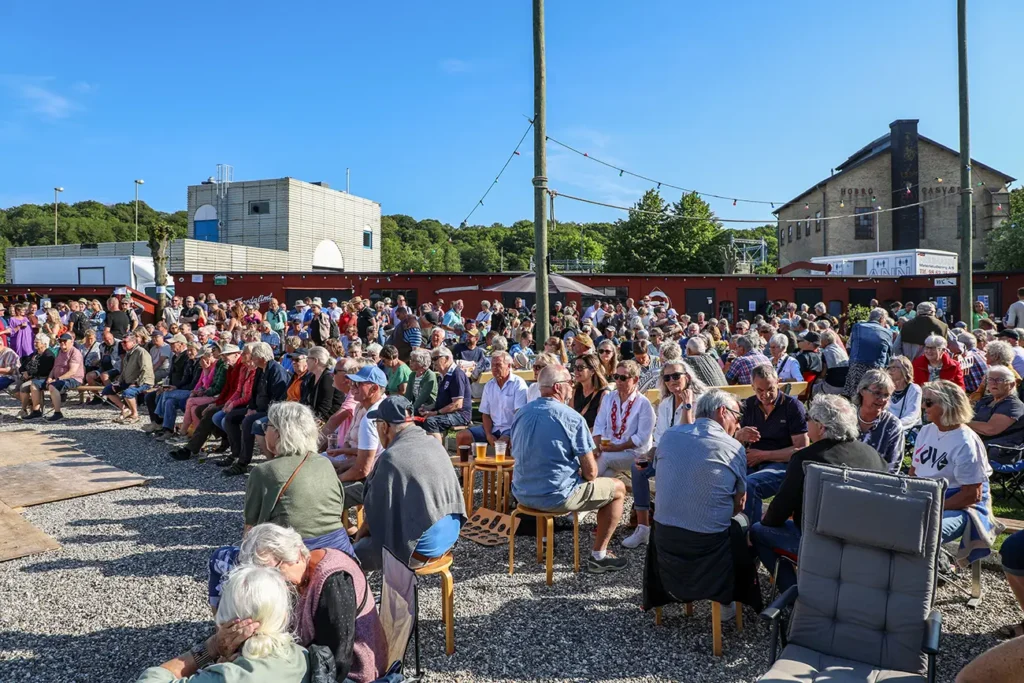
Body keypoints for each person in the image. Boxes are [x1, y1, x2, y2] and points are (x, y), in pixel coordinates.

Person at [642, 389, 759, 619]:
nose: (737, 424)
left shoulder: (670, 435)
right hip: (707, 545)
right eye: (737, 417)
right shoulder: (733, 447)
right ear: (722, 411)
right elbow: (739, 504)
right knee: (741, 524)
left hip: (664, 538)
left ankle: (673, 594)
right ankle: (729, 597)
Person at [751, 395, 886, 592]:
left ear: (821, 427)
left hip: (820, 545)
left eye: (808, 418)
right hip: (866, 547)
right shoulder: (874, 457)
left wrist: (767, 518)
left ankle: (794, 594)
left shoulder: (806, 459)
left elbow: (777, 514)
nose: (805, 422)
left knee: (758, 531)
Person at [511, 364, 628, 574]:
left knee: (547, 474)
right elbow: (591, 473)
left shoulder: (522, 413)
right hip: (556, 497)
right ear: (558, 387)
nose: (572, 387)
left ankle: (545, 541)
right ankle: (599, 555)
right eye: (569, 383)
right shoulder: (571, 418)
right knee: (618, 488)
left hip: (521, 492)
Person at [237, 525, 388, 683]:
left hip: (352, 672)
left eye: (274, 573)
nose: (273, 583)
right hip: (312, 660)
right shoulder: (301, 572)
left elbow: (337, 661)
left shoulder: (333, 580)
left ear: (295, 556)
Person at [136, 566, 309, 683]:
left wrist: (211, 647)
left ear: (224, 619)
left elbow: (152, 678)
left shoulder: (223, 677)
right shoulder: (304, 657)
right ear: (284, 616)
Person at [353, 396, 467, 571]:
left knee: (350, 558)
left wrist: (358, 538)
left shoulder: (391, 458)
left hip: (419, 551)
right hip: (450, 537)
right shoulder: (434, 443)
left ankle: (361, 596)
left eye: (377, 423)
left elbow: (373, 518)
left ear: (384, 427)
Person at [623, 361, 707, 549]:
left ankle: (669, 525)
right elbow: (659, 438)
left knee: (664, 469)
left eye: (676, 376)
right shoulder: (666, 403)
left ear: (688, 376)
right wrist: (649, 454)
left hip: (691, 457)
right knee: (638, 468)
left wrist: (686, 406)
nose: (671, 381)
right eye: (666, 377)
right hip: (666, 454)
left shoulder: (701, 402)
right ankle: (643, 527)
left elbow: (689, 436)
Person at [911, 380, 999, 558]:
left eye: (928, 402)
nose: (923, 406)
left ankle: (927, 576)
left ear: (947, 405)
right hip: (927, 497)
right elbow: (914, 472)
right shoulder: (926, 431)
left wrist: (933, 506)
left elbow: (972, 495)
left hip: (961, 506)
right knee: (886, 522)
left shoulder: (965, 442)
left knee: (925, 533)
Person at [734, 364, 810, 521]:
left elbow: (801, 449)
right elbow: (731, 441)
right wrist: (739, 435)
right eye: (759, 391)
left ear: (778, 383)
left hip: (782, 464)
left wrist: (763, 455)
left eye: (770, 389)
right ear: (752, 387)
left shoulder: (792, 407)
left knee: (750, 484)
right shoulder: (748, 405)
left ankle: (750, 533)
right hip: (752, 461)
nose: (765, 395)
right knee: (725, 479)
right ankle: (728, 529)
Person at [170, 344, 244, 461]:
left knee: (210, 413)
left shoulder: (241, 367)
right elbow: (226, 389)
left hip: (238, 402)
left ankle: (191, 448)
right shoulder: (230, 366)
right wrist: (218, 402)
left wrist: (222, 403)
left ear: (237, 354)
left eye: (226, 355)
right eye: (223, 356)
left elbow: (237, 391)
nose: (224, 358)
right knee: (200, 410)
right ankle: (224, 439)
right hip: (228, 399)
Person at [593, 360, 656, 478]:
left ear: (635, 380)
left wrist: (616, 448)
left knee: (604, 458)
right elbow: (599, 425)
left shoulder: (643, 404)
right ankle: (597, 492)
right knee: (605, 474)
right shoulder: (609, 398)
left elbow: (641, 439)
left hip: (638, 456)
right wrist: (597, 448)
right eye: (616, 377)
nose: (618, 381)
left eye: (623, 378)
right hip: (612, 451)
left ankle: (580, 485)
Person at [852, 369, 905, 473]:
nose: (882, 399)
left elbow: (893, 467)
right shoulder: (847, 417)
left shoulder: (892, 426)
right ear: (862, 390)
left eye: (886, 395)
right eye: (877, 393)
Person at [102, 331, 155, 424]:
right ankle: (125, 410)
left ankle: (135, 415)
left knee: (128, 393)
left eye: (125, 342)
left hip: (144, 382)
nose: (122, 344)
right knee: (107, 390)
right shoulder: (128, 353)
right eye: (122, 342)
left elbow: (146, 370)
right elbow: (125, 370)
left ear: (133, 342)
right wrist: (118, 381)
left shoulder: (141, 352)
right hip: (128, 380)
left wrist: (136, 383)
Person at [420, 346, 473, 439]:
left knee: (431, 422)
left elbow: (457, 405)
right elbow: (442, 401)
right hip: (447, 412)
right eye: (432, 359)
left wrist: (436, 413)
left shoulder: (456, 375)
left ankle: (438, 452)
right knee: (417, 417)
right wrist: (427, 408)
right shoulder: (443, 376)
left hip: (460, 415)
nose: (433, 362)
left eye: (435, 358)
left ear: (447, 358)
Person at [30, 333, 84, 422]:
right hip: (57, 378)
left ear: (71, 342)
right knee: (35, 384)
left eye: (65, 341)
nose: (62, 343)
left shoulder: (75, 353)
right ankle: (36, 411)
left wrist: (57, 379)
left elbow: (72, 372)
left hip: (74, 379)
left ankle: (58, 413)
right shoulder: (59, 351)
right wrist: (50, 378)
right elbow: (54, 368)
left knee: (53, 386)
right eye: (60, 341)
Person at [842, 307, 894, 396]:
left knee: (855, 395)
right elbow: (889, 354)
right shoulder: (888, 332)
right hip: (876, 369)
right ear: (881, 319)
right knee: (873, 396)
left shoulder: (857, 327)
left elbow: (851, 346)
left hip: (857, 366)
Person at [967, 366, 1024, 443]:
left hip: (999, 451)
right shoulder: (987, 399)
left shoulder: (1014, 405)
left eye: (1000, 380)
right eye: (990, 379)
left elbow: (990, 429)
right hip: (977, 444)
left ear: (1012, 385)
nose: (994, 383)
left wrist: (961, 422)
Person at [302, 346, 342, 424]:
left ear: (315, 361)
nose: (306, 362)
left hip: (328, 422)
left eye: (307, 359)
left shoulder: (328, 378)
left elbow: (326, 406)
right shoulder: (312, 377)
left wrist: (312, 422)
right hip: (315, 418)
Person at [571, 351, 610, 430]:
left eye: (580, 368)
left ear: (592, 371)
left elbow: (601, 425)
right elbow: (569, 416)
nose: (576, 371)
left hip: (592, 437)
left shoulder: (604, 394)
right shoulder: (575, 390)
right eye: (575, 367)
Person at [887, 356, 923, 431]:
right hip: (888, 429)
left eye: (893, 367)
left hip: (907, 431)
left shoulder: (914, 389)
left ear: (905, 369)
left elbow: (912, 415)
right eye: (888, 367)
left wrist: (894, 425)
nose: (889, 370)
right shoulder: (886, 388)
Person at [404, 347, 438, 416]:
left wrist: (411, 411)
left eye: (413, 360)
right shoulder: (412, 375)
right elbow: (408, 396)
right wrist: (404, 407)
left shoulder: (430, 375)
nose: (410, 362)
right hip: (416, 407)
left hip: (428, 407)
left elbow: (423, 397)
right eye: (411, 359)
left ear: (422, 362)